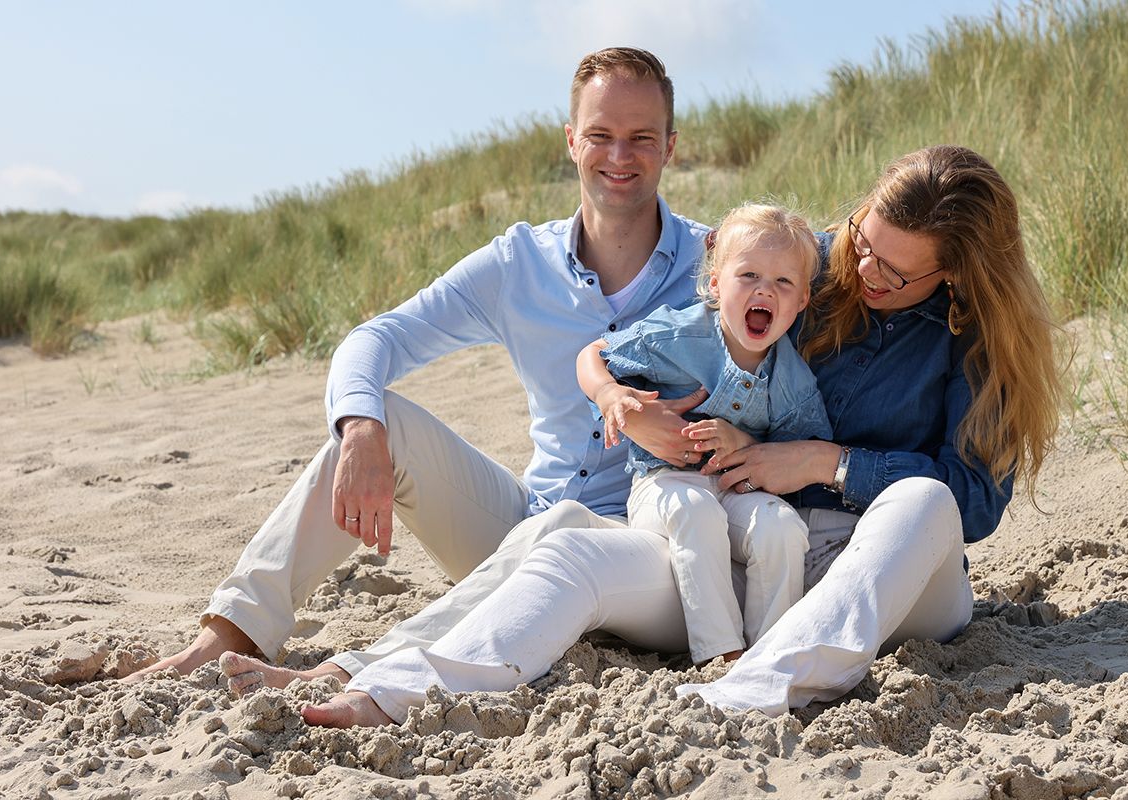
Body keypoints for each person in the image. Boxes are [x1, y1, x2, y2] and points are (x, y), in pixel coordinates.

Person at [213, 144, 1060, 727]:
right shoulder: (807, 269)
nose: (862, 271)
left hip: (892, 579)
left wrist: (824, 461)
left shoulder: (974, 338)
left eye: (893, 270)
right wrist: (640, 409)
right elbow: (671, 339)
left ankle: (768, 684)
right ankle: (388, 681)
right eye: (863, 242)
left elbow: (973, 502)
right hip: (748, 551)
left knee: (919, 499)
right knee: (569, 545)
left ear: (953, 274)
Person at [128, 47, 711, 704]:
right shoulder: (521, 263)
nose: (619, 156)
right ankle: (229, 635)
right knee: (383, 423)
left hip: (656, 556)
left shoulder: (719, 267)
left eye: (641, 138)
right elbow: (377, 338)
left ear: (670, 147)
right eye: (601, 135)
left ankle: (352, 672)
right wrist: (359, 429)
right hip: (523, 526)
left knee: (565, 528)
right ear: (572, 141)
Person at [576, 202, 832, 665]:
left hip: (734, 490)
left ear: (801, 302)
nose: (765, 291)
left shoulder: (793, 382)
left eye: (783, 282)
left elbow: (798, 459)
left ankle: (772, 656)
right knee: (696, 510)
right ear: (716, 283)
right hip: (663, 486)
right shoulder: (680, 336)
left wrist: (746, 444)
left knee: (781, 527)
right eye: (749, 275)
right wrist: (609, 394)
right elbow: (593, 354)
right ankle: (722, 657)